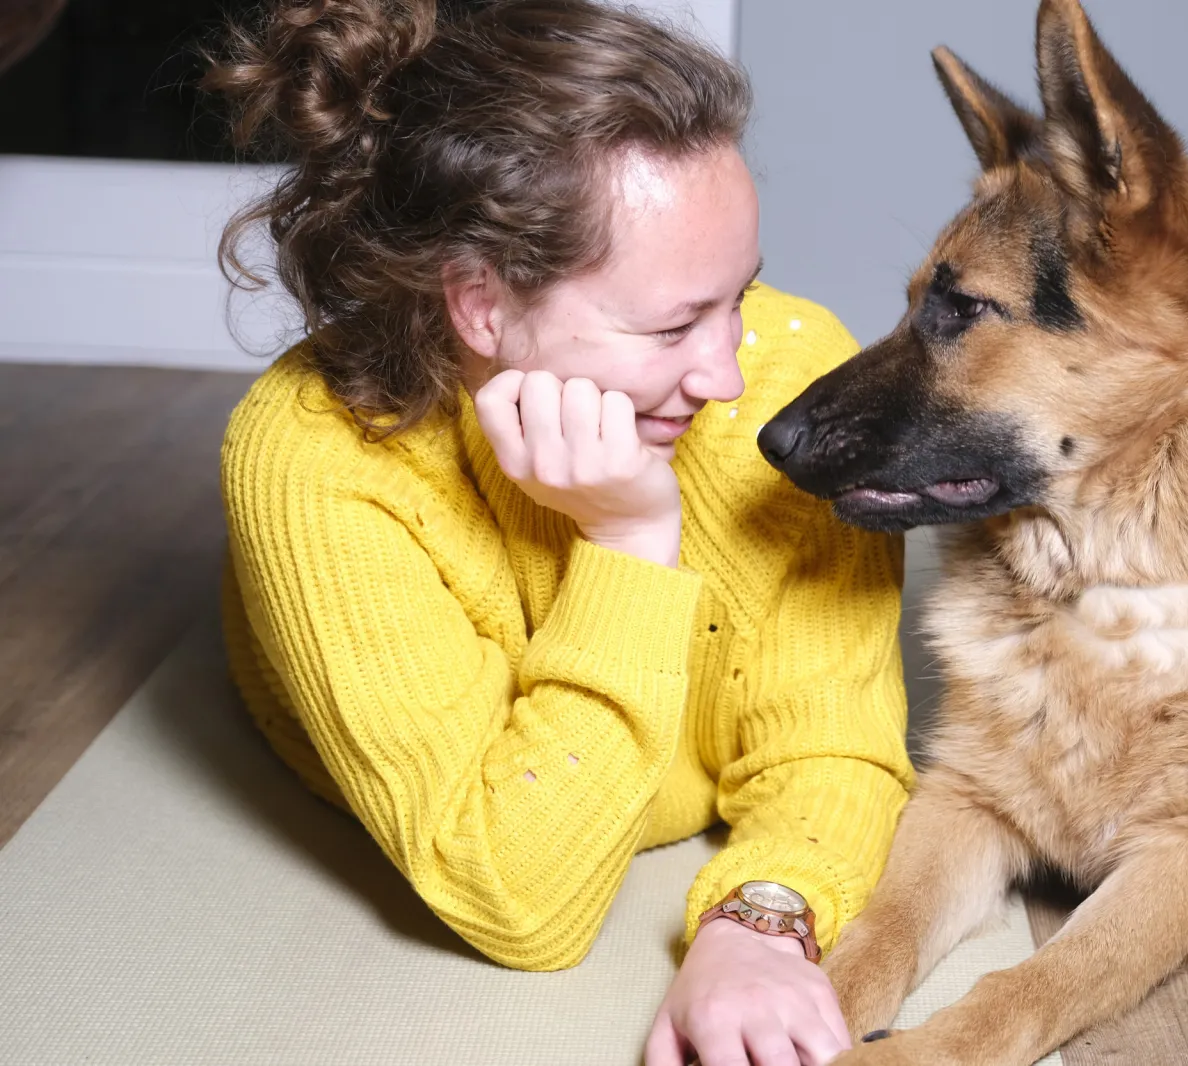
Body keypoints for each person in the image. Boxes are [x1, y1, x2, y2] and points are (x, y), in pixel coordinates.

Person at [205, 2, 916, 1063]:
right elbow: (518, 894)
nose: (726, 374)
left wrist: (760, 922)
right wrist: (630, 540)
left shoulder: (793, 376)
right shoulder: (310, 460)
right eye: (672, 325)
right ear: (481, 305)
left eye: (740, 297)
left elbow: (835, 743)